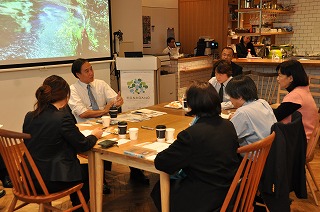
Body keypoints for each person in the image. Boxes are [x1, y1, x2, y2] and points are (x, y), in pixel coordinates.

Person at [151, 81, 240, 211]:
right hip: (229, 191)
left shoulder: (191, 135)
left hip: (205, 198)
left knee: (160, 188)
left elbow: (161, 163)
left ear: (192, 104)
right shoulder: (228, 125)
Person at [22, 75, 103, 209]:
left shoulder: (30, 116)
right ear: (66, 96)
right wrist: (94, 135)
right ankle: (79, 209)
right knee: (90, 172)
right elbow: (83, 145)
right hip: (52, 180)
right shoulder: (62, 118)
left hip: (29, 178)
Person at [68, 58, 149, 185]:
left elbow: (114, 100)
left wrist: (118, 101)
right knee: (102, 143)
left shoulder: (100, 84)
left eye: (91, 69)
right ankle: (101, 180)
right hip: (87, 128)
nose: (91, 73)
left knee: (129, 138)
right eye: (86, 71)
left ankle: (136, 171)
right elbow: (83, 113)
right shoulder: (73, 90)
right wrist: (105, 110)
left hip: (106, 124)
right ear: (78, 75)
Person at [226, 75, 277, 147]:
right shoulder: (262, 102)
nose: (230, 99)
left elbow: (227, 136)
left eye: (230, 96)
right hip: (271, 149)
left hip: (254, 155)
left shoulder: (243, 112)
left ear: (239, 96)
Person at [273, 60, 318, 140]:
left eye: (280, 75)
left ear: (290, 78)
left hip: (298, 143)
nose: (277, 79)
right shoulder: (303, 90)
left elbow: (275, 117)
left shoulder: (296, 96)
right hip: (303, 138)